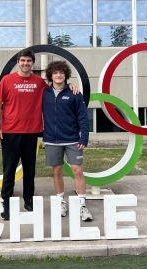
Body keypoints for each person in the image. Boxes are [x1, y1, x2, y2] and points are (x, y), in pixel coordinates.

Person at [0, 49, 78, 221]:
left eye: (28, 61)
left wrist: (71, 86)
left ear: (32, 63)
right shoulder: (7, 80)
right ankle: (6, 204)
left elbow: (57, 87)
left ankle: (29, 201)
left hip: (32, 133)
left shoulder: (39, 82)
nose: (25, 63)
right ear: (18, 62)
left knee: (29, 170)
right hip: (10, 132)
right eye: (22, 60)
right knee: (9, 171)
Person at [42, 60, 93, 221]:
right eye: (55, 73)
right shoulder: (44, 93)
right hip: (51, 139)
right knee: (57, 171)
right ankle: (61, 202)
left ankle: (82, 205)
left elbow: (83, 117)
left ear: (66, 75)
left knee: (77, 170)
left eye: (61, 73)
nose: (58, 75)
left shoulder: (74, 93)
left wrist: (84, 137)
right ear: (51, 75)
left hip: (72, 139)